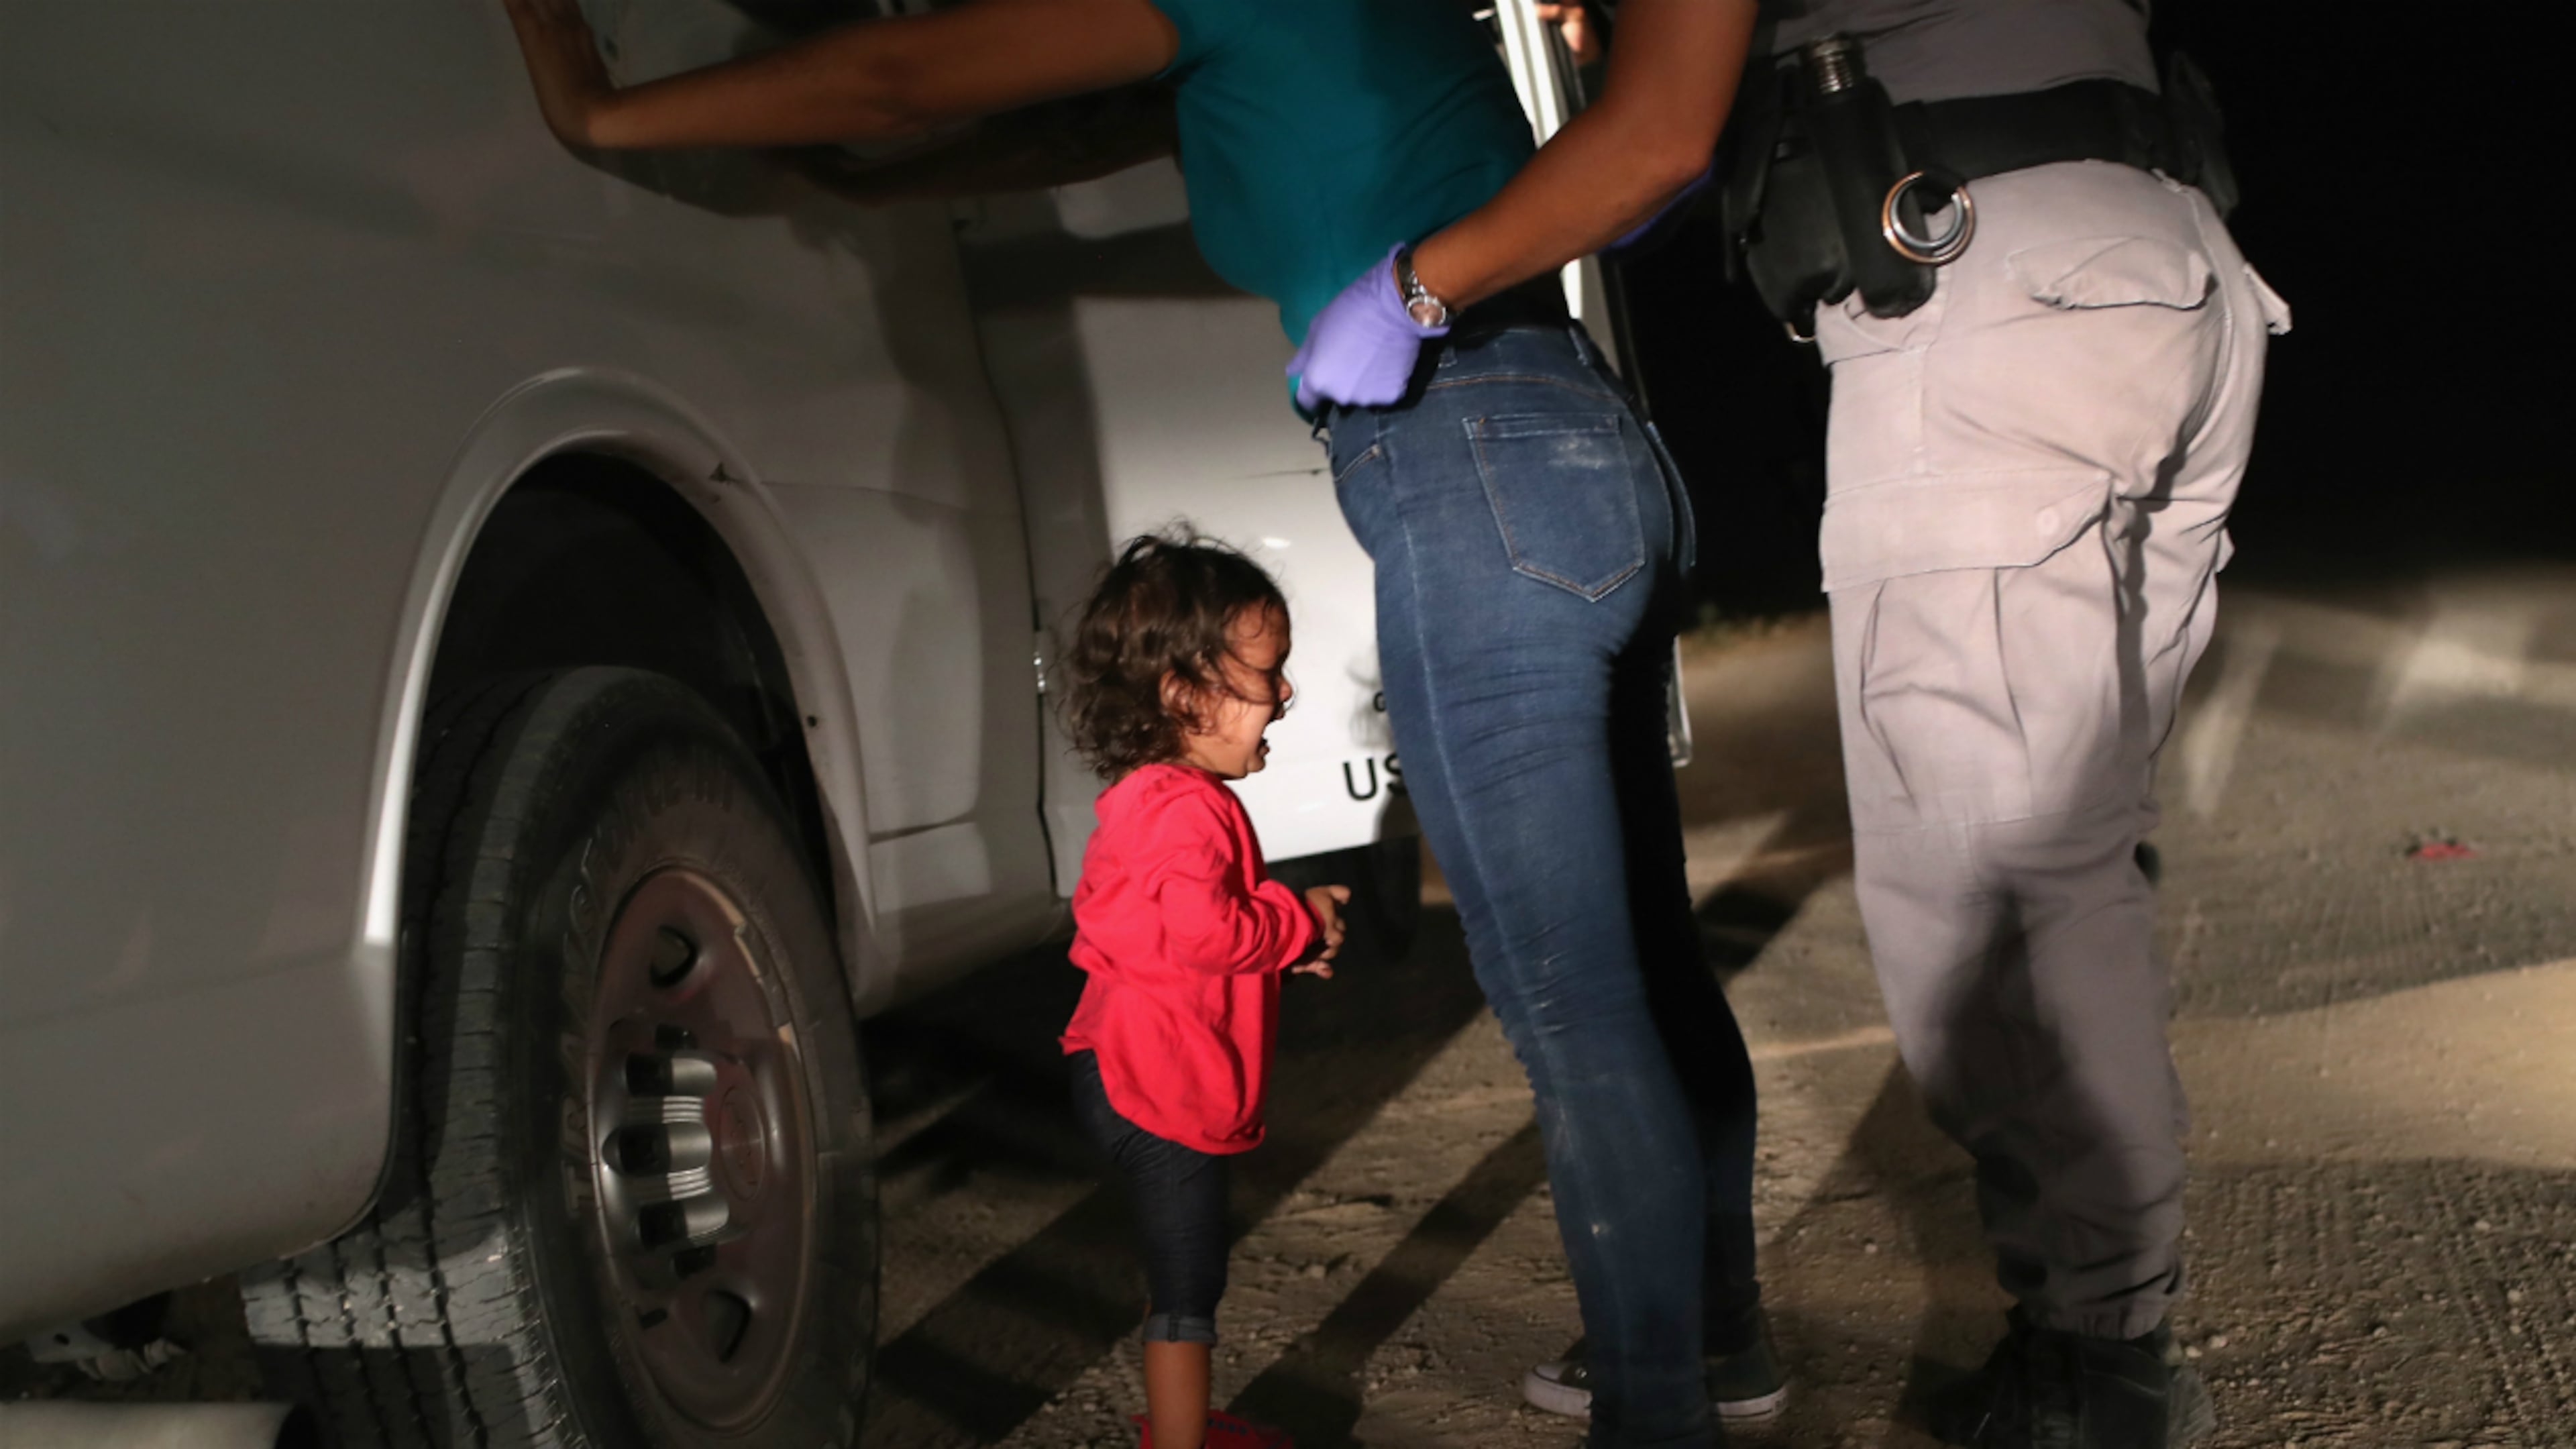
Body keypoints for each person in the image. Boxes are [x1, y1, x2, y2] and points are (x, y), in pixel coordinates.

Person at [500, 4, 1773, 1443]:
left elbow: (898, 69)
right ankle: (1719, 1346)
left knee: (1573, 1002)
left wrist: (603, 114)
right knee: (1645, 971)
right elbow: (1063, 124)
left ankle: (1660, 1417)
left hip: (1467, 449)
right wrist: (858, 184)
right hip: (1574, 441)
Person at [1295, 3, 2292, 1447]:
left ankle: (2098, 1371)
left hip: (1991, 286)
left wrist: (1413, 292)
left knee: (1988, 894)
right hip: (2168, 264)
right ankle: (2103, 1343)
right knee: (2071, 862)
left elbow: (1652, 139)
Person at [1056, 535, 1346, 1449]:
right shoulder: (1187, 809)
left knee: (1177, 1268)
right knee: (1190, 1288)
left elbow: (1173, 935)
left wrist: (1281, 942)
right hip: (1159, 1085)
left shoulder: (1149, 796)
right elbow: (1209, 931)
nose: (1286, 695)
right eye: (1269, 673)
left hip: (1118, 1063)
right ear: (1186, 693)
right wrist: (1294, 924)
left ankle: (1182, 1420)